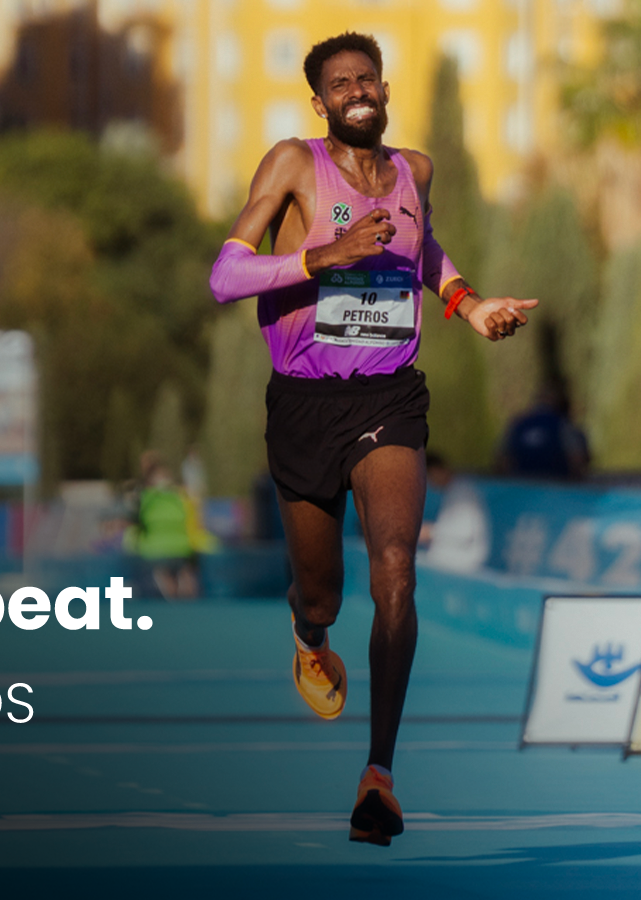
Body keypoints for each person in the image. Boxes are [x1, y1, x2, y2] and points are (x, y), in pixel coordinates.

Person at [204, 32, 537, 846]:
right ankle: (309, 633)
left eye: (367, 79)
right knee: (322, 593)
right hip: (304, 402)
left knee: (396, 569)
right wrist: (323, 257)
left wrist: (469, 304)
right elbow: (225, 276)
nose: (356, 91)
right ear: (320, 102)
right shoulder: (293, 162)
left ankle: (379, 776)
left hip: (390, 394)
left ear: (385, 90)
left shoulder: (415, 171)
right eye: (339, 83)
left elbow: (425, 251)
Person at [125, 452, 214, 600]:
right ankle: (182, 587)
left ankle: (172, 586)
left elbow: (134, 523)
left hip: (156, 552)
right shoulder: (181, 496)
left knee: (171, 578)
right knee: (185, 576)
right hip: (181, 549)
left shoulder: (146, 498)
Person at [496, 385, 589, 479]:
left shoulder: (518, 425)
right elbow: (576, 459)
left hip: (520, 482)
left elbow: (501, 460)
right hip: (555, 483)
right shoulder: (563, 426)